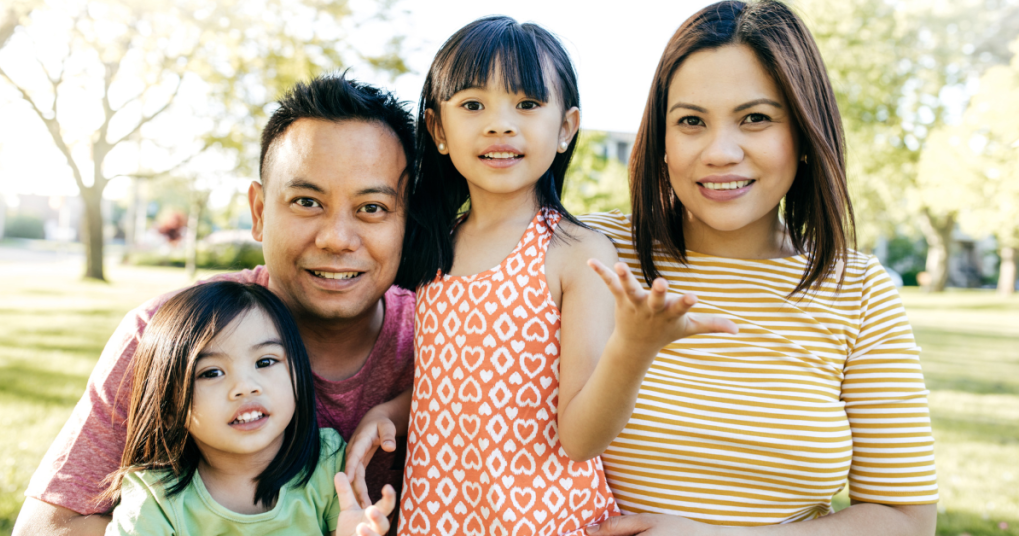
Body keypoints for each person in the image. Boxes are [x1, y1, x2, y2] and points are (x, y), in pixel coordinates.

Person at [579, 2, 939, 534]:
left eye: (756, 118)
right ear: (661, 140)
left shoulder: (861, 291)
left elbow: (906, 519)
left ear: (805, 134)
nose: (720, 152)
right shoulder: (589, 253)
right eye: (691, 122)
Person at [14, 74, 417, 535]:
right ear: (260, 212)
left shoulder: (445, 340)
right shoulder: (170, 333)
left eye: (372, 208)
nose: (336, 239)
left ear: (407, 220)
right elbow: (49, 526)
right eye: (306, 201)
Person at [379, 16, 735, 535]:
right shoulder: (435, 246)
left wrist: (634, 348)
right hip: (437, 516)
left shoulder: (576, 254)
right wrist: (391, 412)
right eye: (473, 105)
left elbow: (581, 438)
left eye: (526, 104)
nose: (500, 124)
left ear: (566, 128)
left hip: (542, 520)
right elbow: (457, 383)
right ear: (437, 129)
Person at [101, 281, 395, 535]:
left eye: (265, 362)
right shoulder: (153, 496)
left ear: (298, 374)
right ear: (168, 408)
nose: (246, 386)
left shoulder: (326, 463)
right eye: (211, 373)